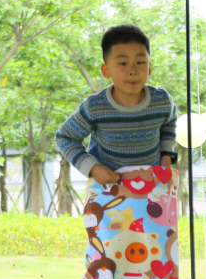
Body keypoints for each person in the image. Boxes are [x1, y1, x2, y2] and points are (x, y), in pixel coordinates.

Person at [56, 25, 177, 182]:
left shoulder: (161, 101)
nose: (132, 70)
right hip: (107, 189)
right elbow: (65, 137)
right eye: (123, 63)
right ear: (106, 70)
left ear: (149, 68)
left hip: (152, 187)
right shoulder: (95, 106)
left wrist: (166, 157)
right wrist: (93, 168)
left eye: (140, 62)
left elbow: (168, 126)